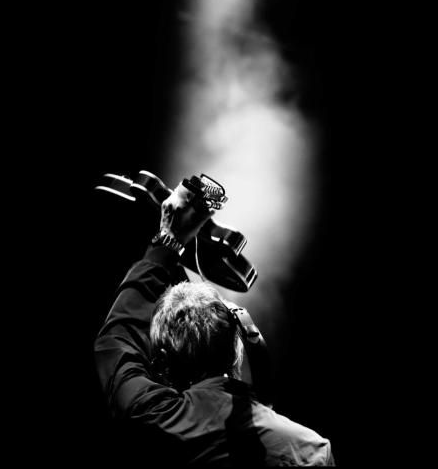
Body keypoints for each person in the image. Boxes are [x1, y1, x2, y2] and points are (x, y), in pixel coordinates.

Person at [94, 178, 334, 465]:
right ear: (239, 348)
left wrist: (168, 240)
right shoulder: (312, 449)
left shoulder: (152, 417)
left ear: (162, 362)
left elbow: (117, 339)